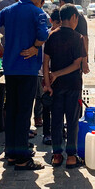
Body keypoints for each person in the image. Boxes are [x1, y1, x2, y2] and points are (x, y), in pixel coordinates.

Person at [0, 0, 49, 170]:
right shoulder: (38, 12)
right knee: (23, 114)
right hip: (28, 69)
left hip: (10, 69)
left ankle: (11, 154)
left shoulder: (8, 10)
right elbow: (43, 35)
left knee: (11, 111)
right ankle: (22, 159)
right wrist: (35, 47)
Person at [43, 4, 86, 168]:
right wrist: (57, 74)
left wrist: (48, 83)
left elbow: (45, 62)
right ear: (74, 17)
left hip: (56, 87)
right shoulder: (78, 38)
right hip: (73, 85)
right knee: (72, 120)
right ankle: (71, 157)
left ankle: (56, 155)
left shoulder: (52, 36)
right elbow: (77, 65)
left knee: (56, 121)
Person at [41, 8, 62, 145]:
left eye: (61, 23)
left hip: (61, 77)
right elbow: (44, 60)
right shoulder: (47, 37)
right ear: (51, 21)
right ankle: (47, 133)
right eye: (57, 23)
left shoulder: (68, 36)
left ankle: (60, 130)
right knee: (47, 105)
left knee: (60, 106)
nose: (59, 26)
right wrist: (46, 79)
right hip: (48, 76)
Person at [58, 0, 90, 75]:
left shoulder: (61, 16)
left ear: (62, 2)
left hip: (66, 57)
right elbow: (85, 39)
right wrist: (85, 60)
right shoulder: (80, 17)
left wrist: (85, 61)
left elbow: (85, 39)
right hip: (76, 56)